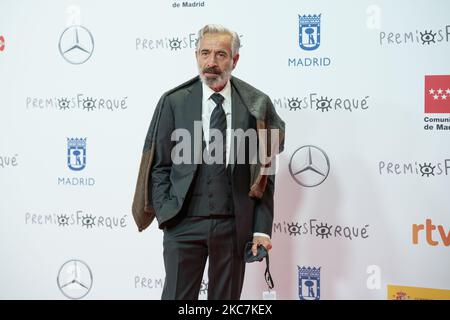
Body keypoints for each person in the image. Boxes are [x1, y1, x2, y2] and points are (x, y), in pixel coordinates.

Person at [132, 24, 285, 300]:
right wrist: (168, 213)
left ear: (234, 60)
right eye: (205, 53)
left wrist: (261, 229)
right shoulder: (174, 102)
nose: (211, 62)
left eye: (221, 55)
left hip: (232, 225)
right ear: (196, 56)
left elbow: (265, 175)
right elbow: (160, 166)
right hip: (182, 224)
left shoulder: (256, 106)